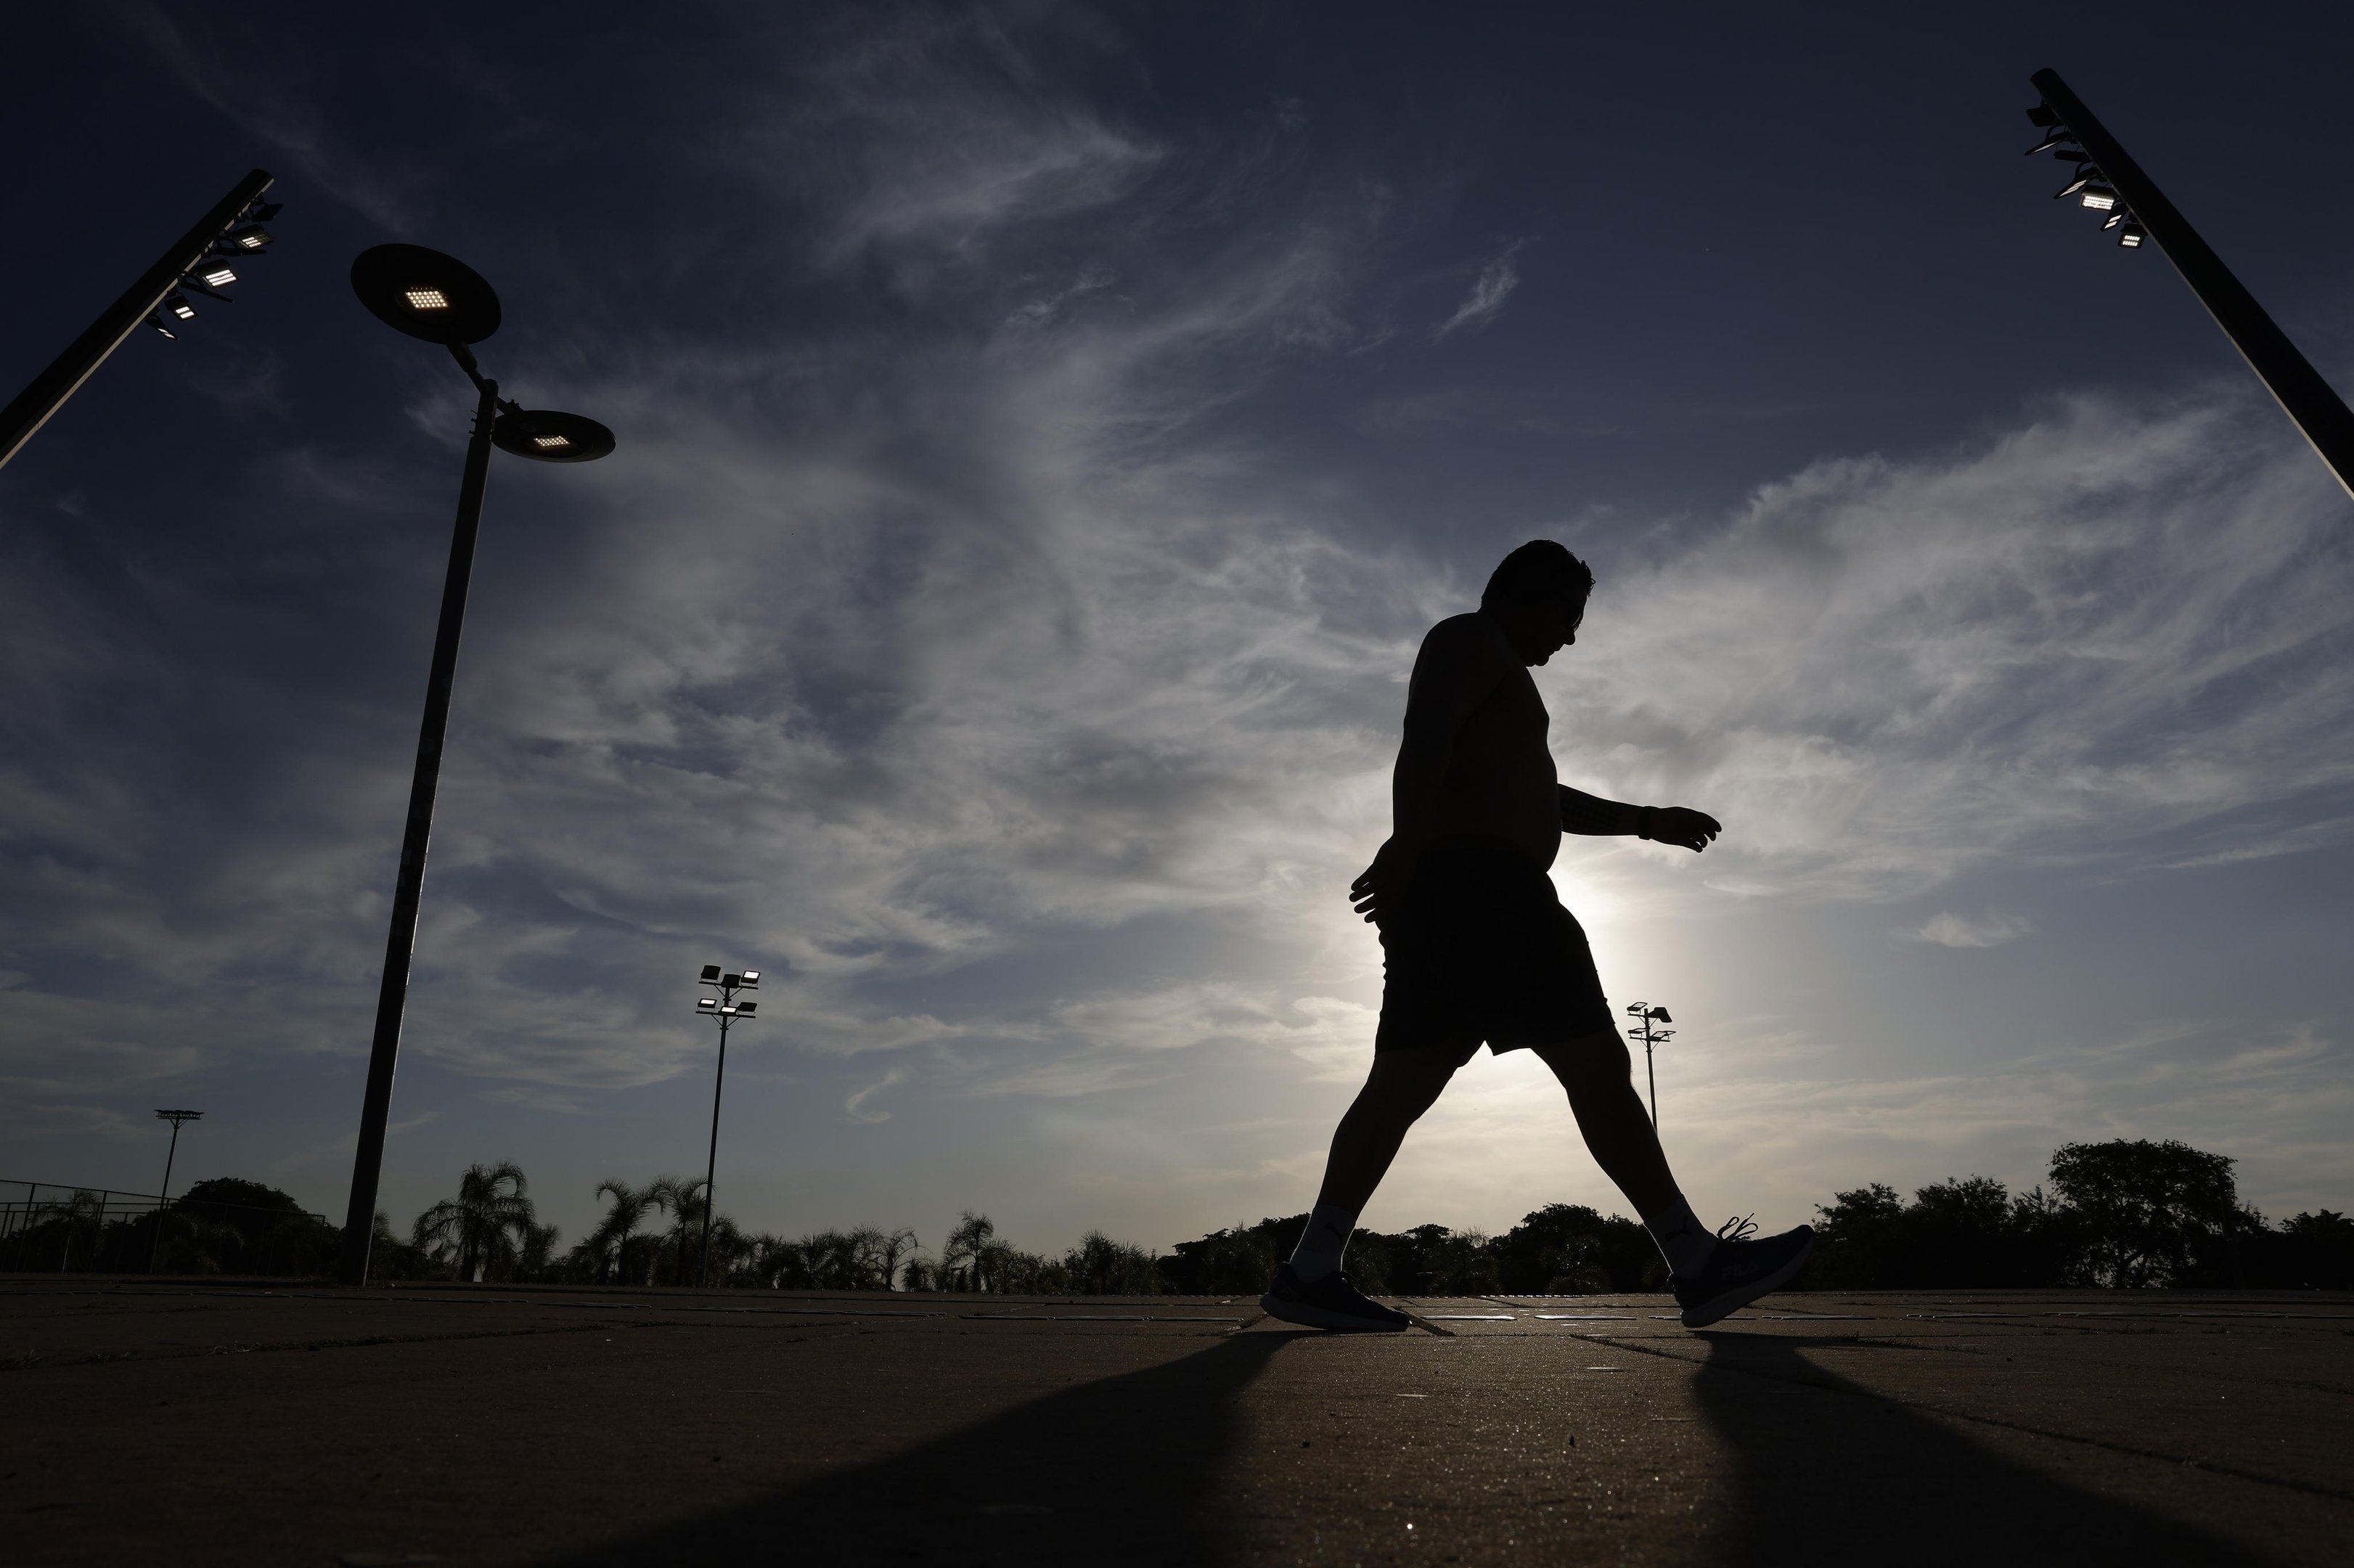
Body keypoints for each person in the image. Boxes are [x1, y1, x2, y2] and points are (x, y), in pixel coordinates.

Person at [1261, 540, 1812, 1332]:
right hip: (1491, 895)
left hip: (1453, 900)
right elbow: (1426, 738)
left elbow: (1534, 791)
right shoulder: (1468, 641)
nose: (1573, 637)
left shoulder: (1497, 675)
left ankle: (1311, 1267)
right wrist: (1405, 845)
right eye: (1569, 614)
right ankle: (1695, 1259)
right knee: (1596, 1063)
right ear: (1527, 594)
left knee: (1401, 1084)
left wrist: (1643, 823)